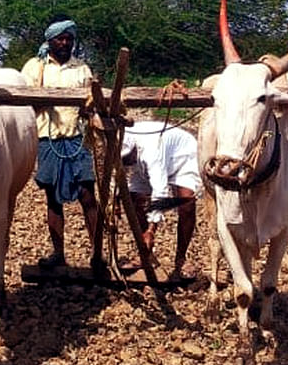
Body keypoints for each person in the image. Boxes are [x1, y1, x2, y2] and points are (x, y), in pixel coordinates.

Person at [21, 19, 101, 270]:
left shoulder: (82, 69)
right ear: (50, 41)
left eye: (69, 39)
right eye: (60, 39)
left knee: (88, 197)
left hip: (78, 140)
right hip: (47, 139)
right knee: (53, 199)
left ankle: (97, 254)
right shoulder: (35, 68)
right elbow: (22, 103)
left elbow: (93, 102)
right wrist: (40, 101)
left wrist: (91, 110)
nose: (65, 43)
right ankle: (58, 253)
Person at [120, 120, 203, 279]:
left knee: (186, 203)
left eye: (127, 160)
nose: (126, 164)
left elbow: (160, 191)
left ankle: (180, 259)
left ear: (134, 151)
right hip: (146, 162)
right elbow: (121, 178)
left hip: (183, 157)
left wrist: (152, 230)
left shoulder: (152, 152)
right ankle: (147, 255)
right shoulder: (123, 138)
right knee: (134, 199)